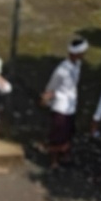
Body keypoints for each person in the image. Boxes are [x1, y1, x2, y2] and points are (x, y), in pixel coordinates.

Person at [40, 37, 87, 170]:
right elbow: (51, 86)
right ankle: (54, 160)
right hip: (60, 106)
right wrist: (46, 98)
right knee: (57, 134)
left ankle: (65, 155)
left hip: (71, 104)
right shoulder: (61, 70)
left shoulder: (78, 65)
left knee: (68, 132)